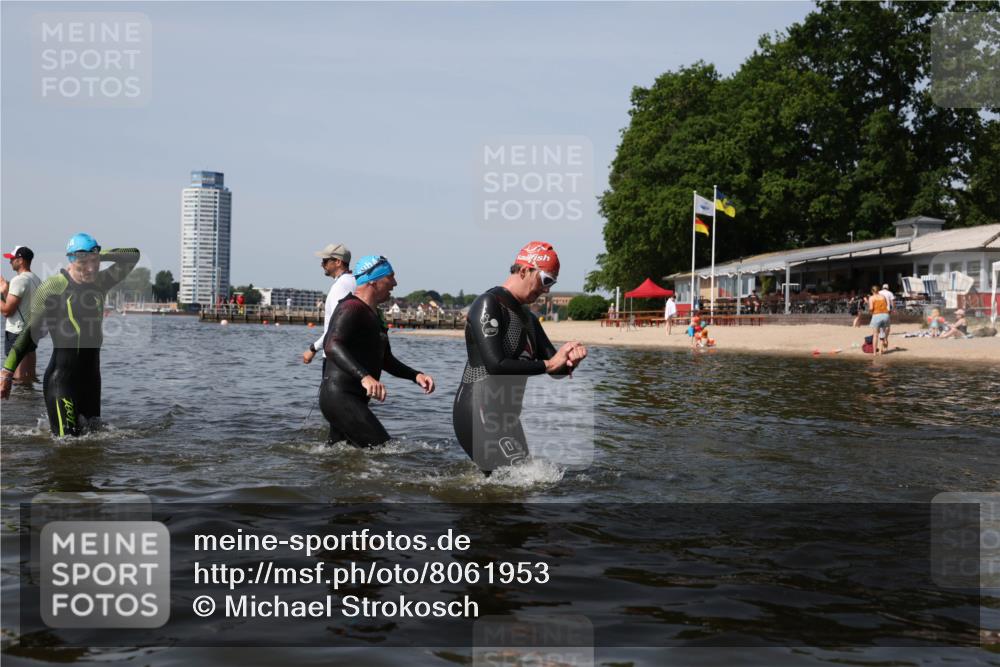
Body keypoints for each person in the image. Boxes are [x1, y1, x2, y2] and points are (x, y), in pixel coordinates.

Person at [452, 242, 586, 473]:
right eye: (545, 280)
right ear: (524, 270)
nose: (547, 290)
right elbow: (496, 365)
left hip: (508, 420)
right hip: (478, 411)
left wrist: (570, 361)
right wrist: (550, 364)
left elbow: (554, 369)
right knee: (511, 486)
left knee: (519, 488)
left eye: (552, 283)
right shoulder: (489, 304)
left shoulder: (529, 319)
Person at [1, 234, 139, 436]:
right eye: (84, 263)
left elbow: (132, 256)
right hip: (62, 380)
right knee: (69, 444)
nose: (91, 268)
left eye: (95, 262)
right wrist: (6, 373)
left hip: (92, 381)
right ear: (71, 260)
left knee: (93, 442)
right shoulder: (52, 286)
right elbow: (28, 334)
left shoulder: (101, 281)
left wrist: (96, 254)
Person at [320, 254, 434, 447]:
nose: (395, 283)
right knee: (383, 450)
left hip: (350, 397)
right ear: (373, 280)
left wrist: (415, 376)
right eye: (390, 277)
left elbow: (385, 359)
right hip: (340, 396)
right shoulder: (351, 307)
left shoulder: (374, 314)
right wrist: (365, 376)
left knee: (340, 458)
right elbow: (331, 345)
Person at [0, 246, 42, 380]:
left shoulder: (19, 280)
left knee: (18, 380)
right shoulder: (36, 279)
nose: (10, 262)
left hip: (17, 333)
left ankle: (20, 401)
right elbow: (19, 306)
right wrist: (5, 291)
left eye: (12, 259)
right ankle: (29, 400)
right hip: (31, 332)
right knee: (28, 378)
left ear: (21, 260)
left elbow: (7, 311)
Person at [867, 285, 890, 355]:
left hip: (877, 315)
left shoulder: (871, 298)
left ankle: (874, 353)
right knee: (882, 333)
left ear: (872, 291)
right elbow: (886, 305)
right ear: (878, 290)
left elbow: (871, 308)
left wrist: (870, 312)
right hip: (886, 315)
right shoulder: (883, 297)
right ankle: (881, 351)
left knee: (875, 335)